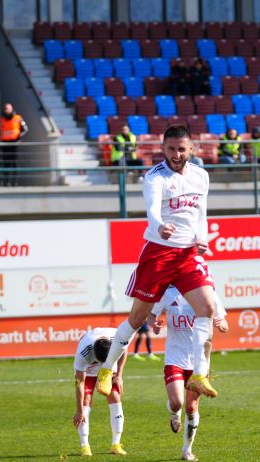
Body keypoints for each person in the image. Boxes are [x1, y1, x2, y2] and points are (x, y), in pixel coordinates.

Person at [93, 124, 219, 400]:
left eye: (182, 149)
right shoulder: (155, 177)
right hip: (159, 253)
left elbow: (201, 215)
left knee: (207, 308)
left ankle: (199, 375)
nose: (176, 154)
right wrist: (160, 226)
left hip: (188, 255)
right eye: (171, 149)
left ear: (191, 149)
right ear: (163, 148)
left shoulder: (201, 176)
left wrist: (202, 239)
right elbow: (151, 209)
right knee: (137, 319)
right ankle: (107, 369)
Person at [149, 285, 228, 461]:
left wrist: (221, 324)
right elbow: (151, 313)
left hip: (199, 362)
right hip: (175, 358)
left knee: (191, 408)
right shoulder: (168, 293)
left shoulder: (207, 292)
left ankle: (187, 450)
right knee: (177, 402)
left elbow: (223, 322)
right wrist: (153, 323)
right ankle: (174, 413)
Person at [71, 328, 128, 458]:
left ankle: (116, 444)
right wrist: (79, 411)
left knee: (115, 396)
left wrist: (119, 375)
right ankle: (85, 446)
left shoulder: (118, 337)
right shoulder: (83, 353)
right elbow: (79, 383)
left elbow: (124, 350)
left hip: (109, 367)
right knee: (85, 401)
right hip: (89, 370)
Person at [0, 102, 27, 186]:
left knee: (15, 163)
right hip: (5, 145)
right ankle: (7, 182)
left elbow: (25, 129)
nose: (6, 110)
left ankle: (15, 182)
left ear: (11, 109)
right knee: (6, 164)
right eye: (5, 108)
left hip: (15, 144)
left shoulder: (18, 118)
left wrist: (19, 137)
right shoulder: (2, 119)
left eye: (8, 108)